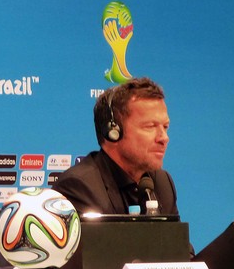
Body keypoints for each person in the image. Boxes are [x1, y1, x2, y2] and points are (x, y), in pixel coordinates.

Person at [53, 77, 178, 216]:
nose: (164, 138)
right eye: (150, 126)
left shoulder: (162, 182)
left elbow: (173, 238)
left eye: (165, 127)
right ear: (113, 132)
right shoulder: (78, 187)